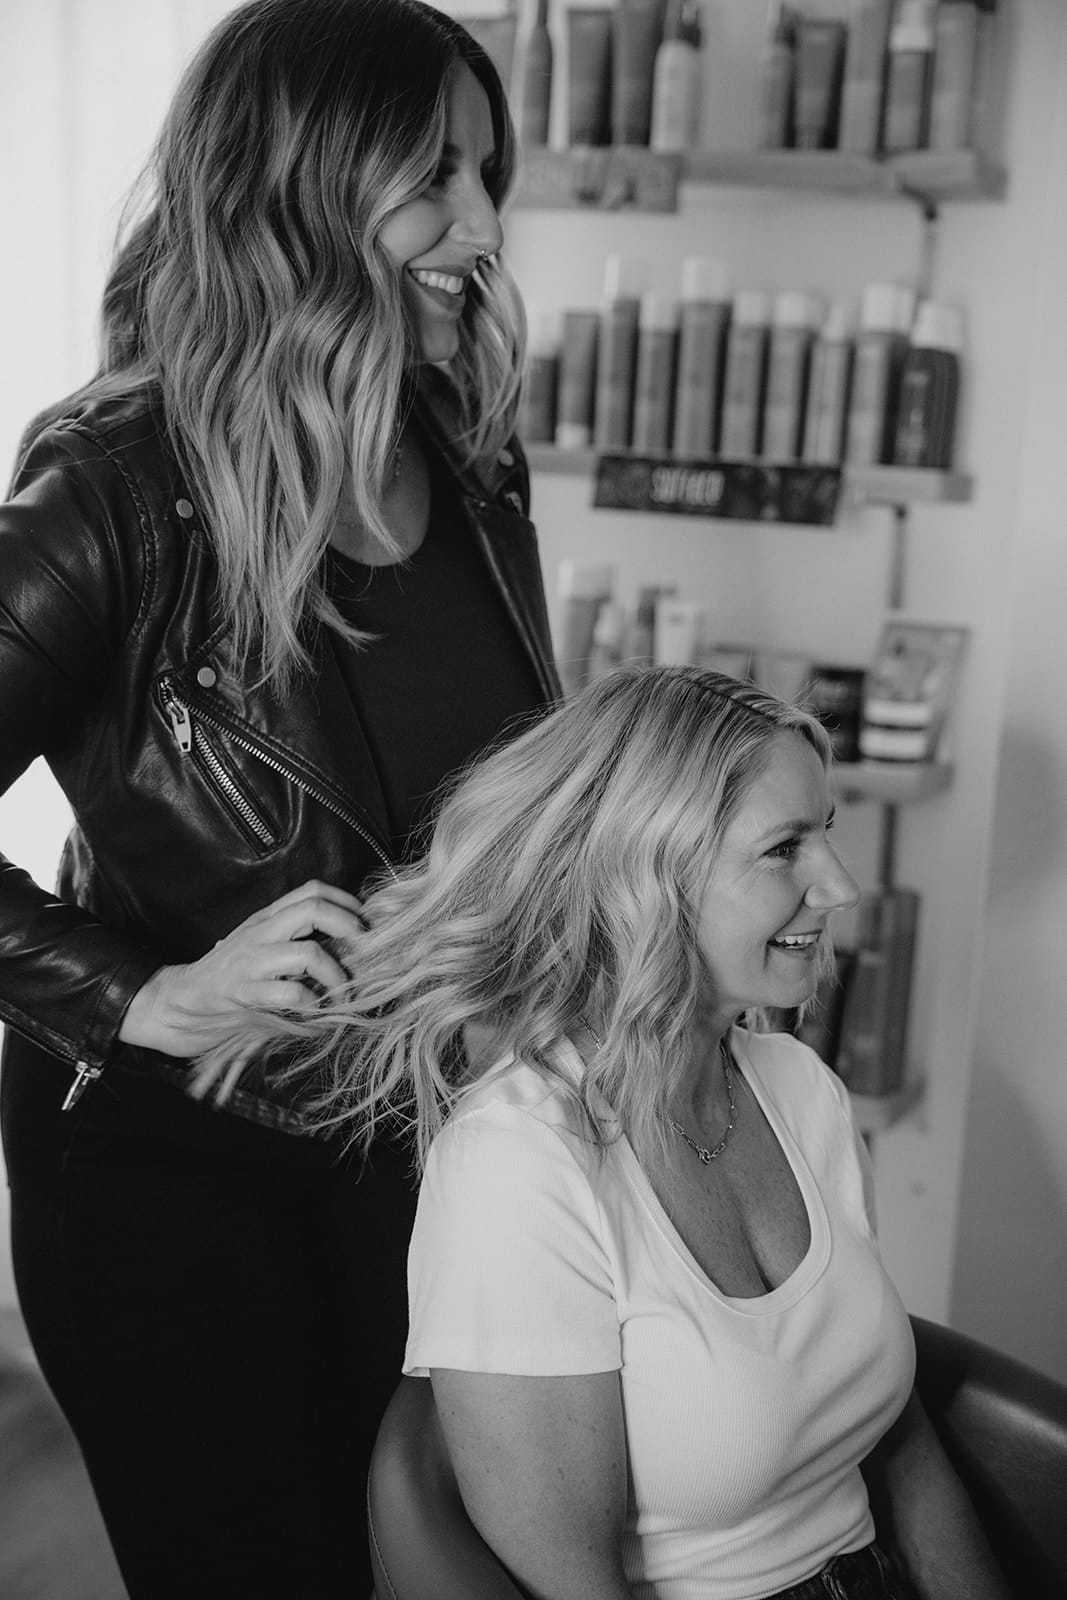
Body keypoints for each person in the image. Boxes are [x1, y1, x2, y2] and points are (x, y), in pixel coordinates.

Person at [0, 1, 559, 1594]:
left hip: (419, 1147)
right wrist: (142, 996)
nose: (480, 223)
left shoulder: (458, 450)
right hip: (175, 1186)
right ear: (302, 191)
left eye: (483, 171)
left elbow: (489, 793)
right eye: (431, 177)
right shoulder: (115, 490)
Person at [204, 666, 1012, 1600]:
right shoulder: (518, 1168)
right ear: (648, 874)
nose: (838, 885)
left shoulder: (801, 1092)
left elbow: (896, 1437)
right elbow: (569, 1582)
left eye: (825, 833)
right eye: (784, 848)